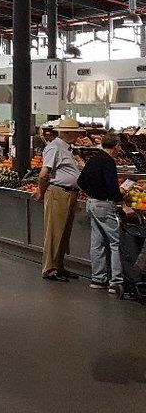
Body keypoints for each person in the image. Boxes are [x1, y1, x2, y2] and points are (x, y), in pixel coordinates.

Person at [35, 118, 83, 281]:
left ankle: (59, 266)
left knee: (64, 232)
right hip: (58, 192)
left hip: (69, 192)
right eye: (76, 133)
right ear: (67, 132)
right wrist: (41, 191)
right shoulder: (54, 147)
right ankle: (49, 268)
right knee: (54, 231)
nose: (78, 136)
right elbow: (44, 174)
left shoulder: (66, 148)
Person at [78, 134, 126, 295]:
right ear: (116, 146)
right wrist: (123, 204)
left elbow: (80, 181)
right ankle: (116, 282)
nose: (119, 149)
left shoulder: (93, 159)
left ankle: (98, 279)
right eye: (119, 147)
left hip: (91, 203)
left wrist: (92, 192)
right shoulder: (108, 161)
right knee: (115, 243)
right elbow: (112, 186)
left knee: (97, 242)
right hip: (104, 205)